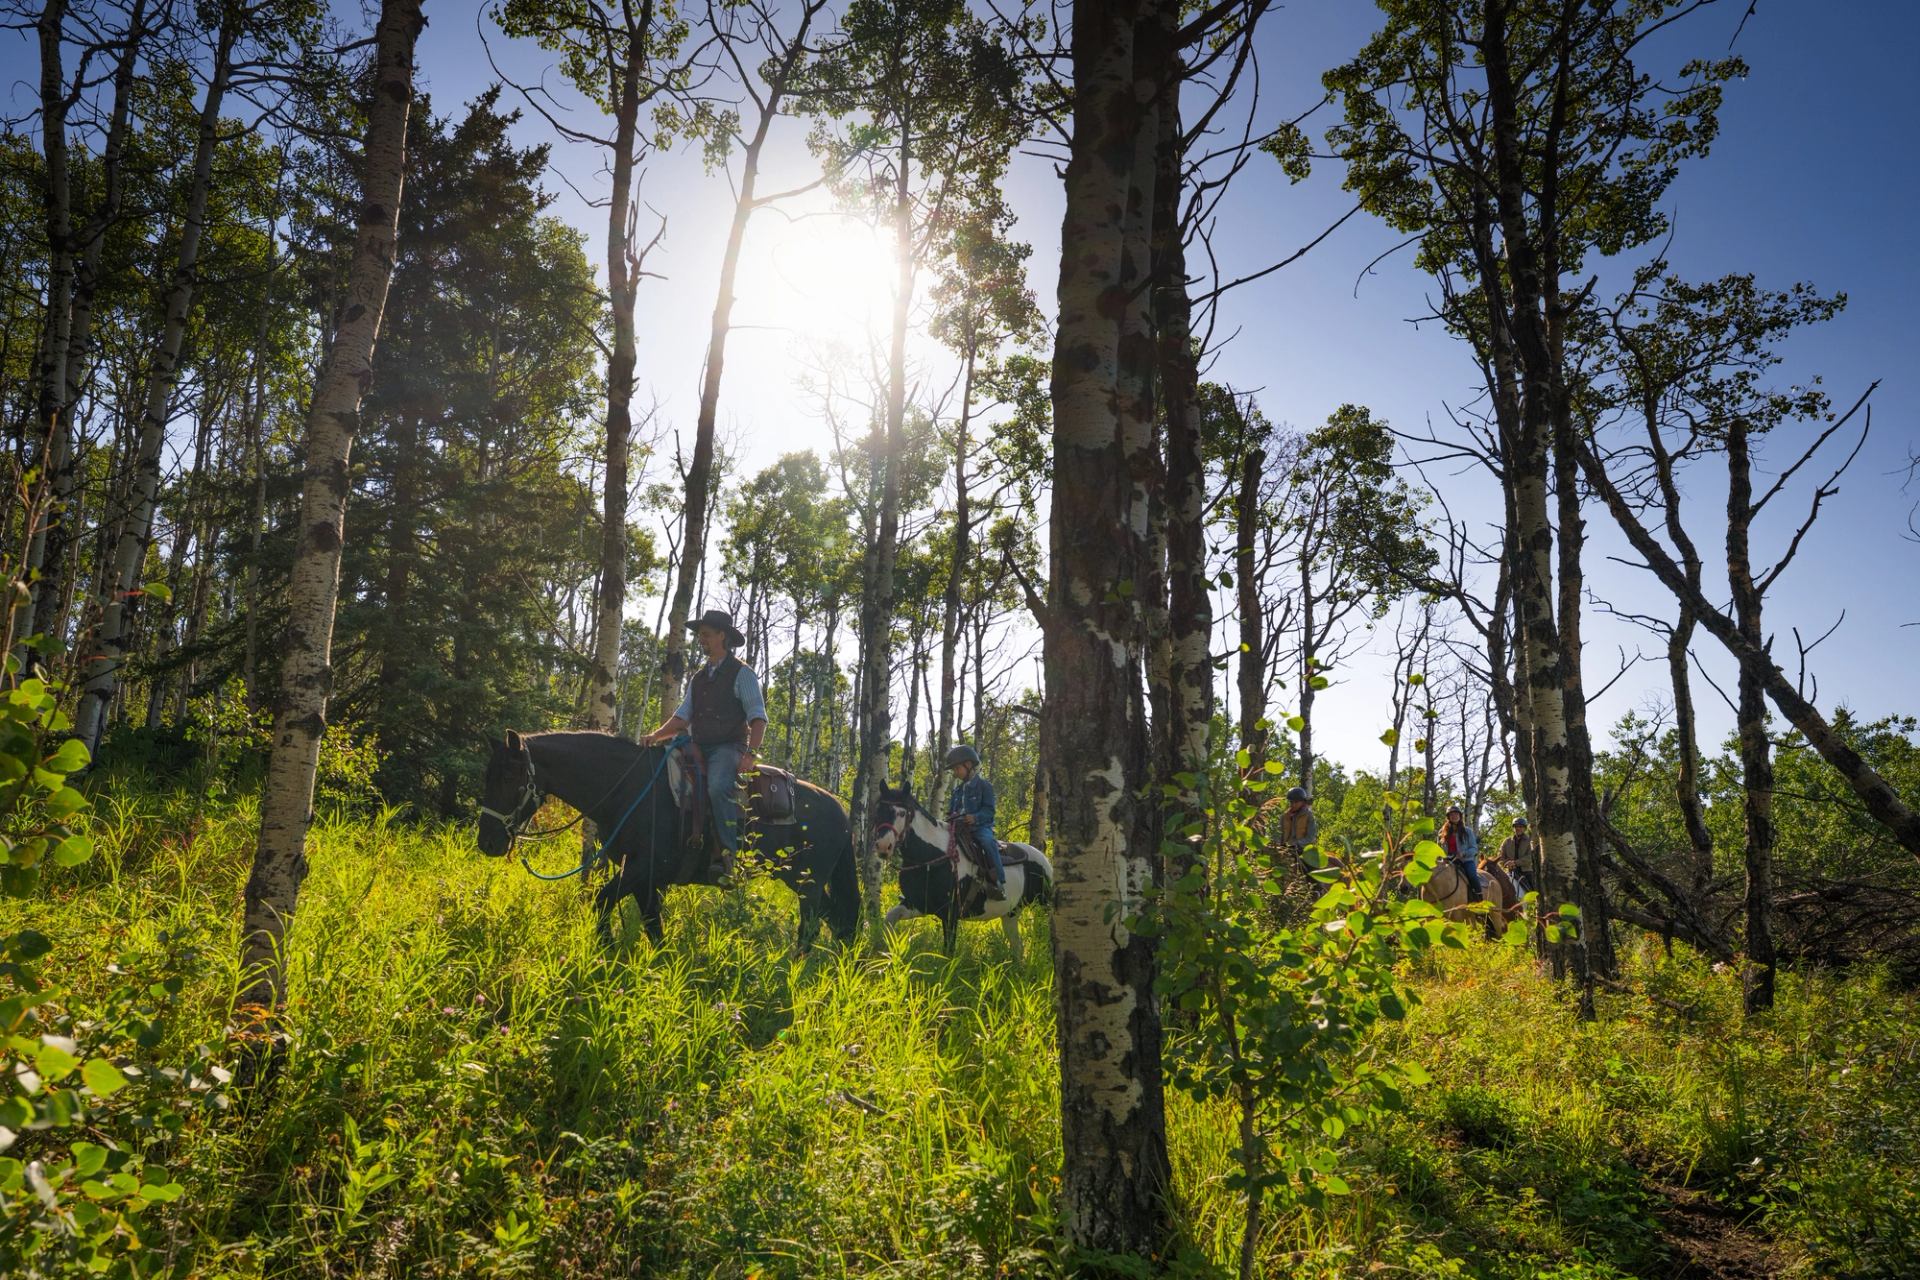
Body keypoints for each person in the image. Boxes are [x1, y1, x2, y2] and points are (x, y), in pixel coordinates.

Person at [640, 608, 766, 884]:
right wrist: (656, 735)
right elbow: (682, 717)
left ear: (723, 636)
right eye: (700, 636)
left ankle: (729, 859)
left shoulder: (742, 674)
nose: (701, 640)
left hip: (728, 747)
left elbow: (758, 717)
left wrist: (750, 754)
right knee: (658, 772)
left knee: (718, 787)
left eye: (706, 635)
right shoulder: (699, 677)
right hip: (697, 745)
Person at [945, 745, 1005, 901]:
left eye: (957, 768)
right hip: (958, 828)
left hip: (979, 828)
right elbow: (951, 810)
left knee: (987, 842)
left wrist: (975, 817)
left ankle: (998, 882)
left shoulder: (985, 786)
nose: (955, 773)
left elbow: (989, 811)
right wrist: (952, 816)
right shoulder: (957, 791)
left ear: (969, 765)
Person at [1440, 804, 1484, 903]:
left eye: (1456, 814)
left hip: (1465, 861)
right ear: (1448, 817)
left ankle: (1479, 900)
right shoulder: (1442, 833)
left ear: (1460, 816)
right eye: (1452, 814)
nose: (1454, 816)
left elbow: (1474, 849)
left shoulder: (1467, 831)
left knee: (1472, 876)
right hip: (1448, 862)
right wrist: (1443, 858)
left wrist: (1463, 854)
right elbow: (1439, 850)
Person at [1278, 787, 1318, 862]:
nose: (1293, 804)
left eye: (1296, 802)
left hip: (1303, 849)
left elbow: (1311, 837)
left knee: (1310, 869)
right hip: (1285, 850)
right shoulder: (1284, 816)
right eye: (1291, 802)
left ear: (1303, 802)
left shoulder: (1309, 815)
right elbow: (1279, 833)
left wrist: (1297, 844)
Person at [1497, 815, 1534, 895]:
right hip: (1510, 871)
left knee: (1534, 891)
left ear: (1524, 828)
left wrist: (1515, 863)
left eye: (1520, 827)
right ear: (1514, 828)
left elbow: (1530, 857)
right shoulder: (1507, 841)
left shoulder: (1529, 841)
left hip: (1526, 871)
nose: (1518, 828)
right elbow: (1500, 856)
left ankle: (1536, 905)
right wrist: (1506, 863)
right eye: (1516, 826)